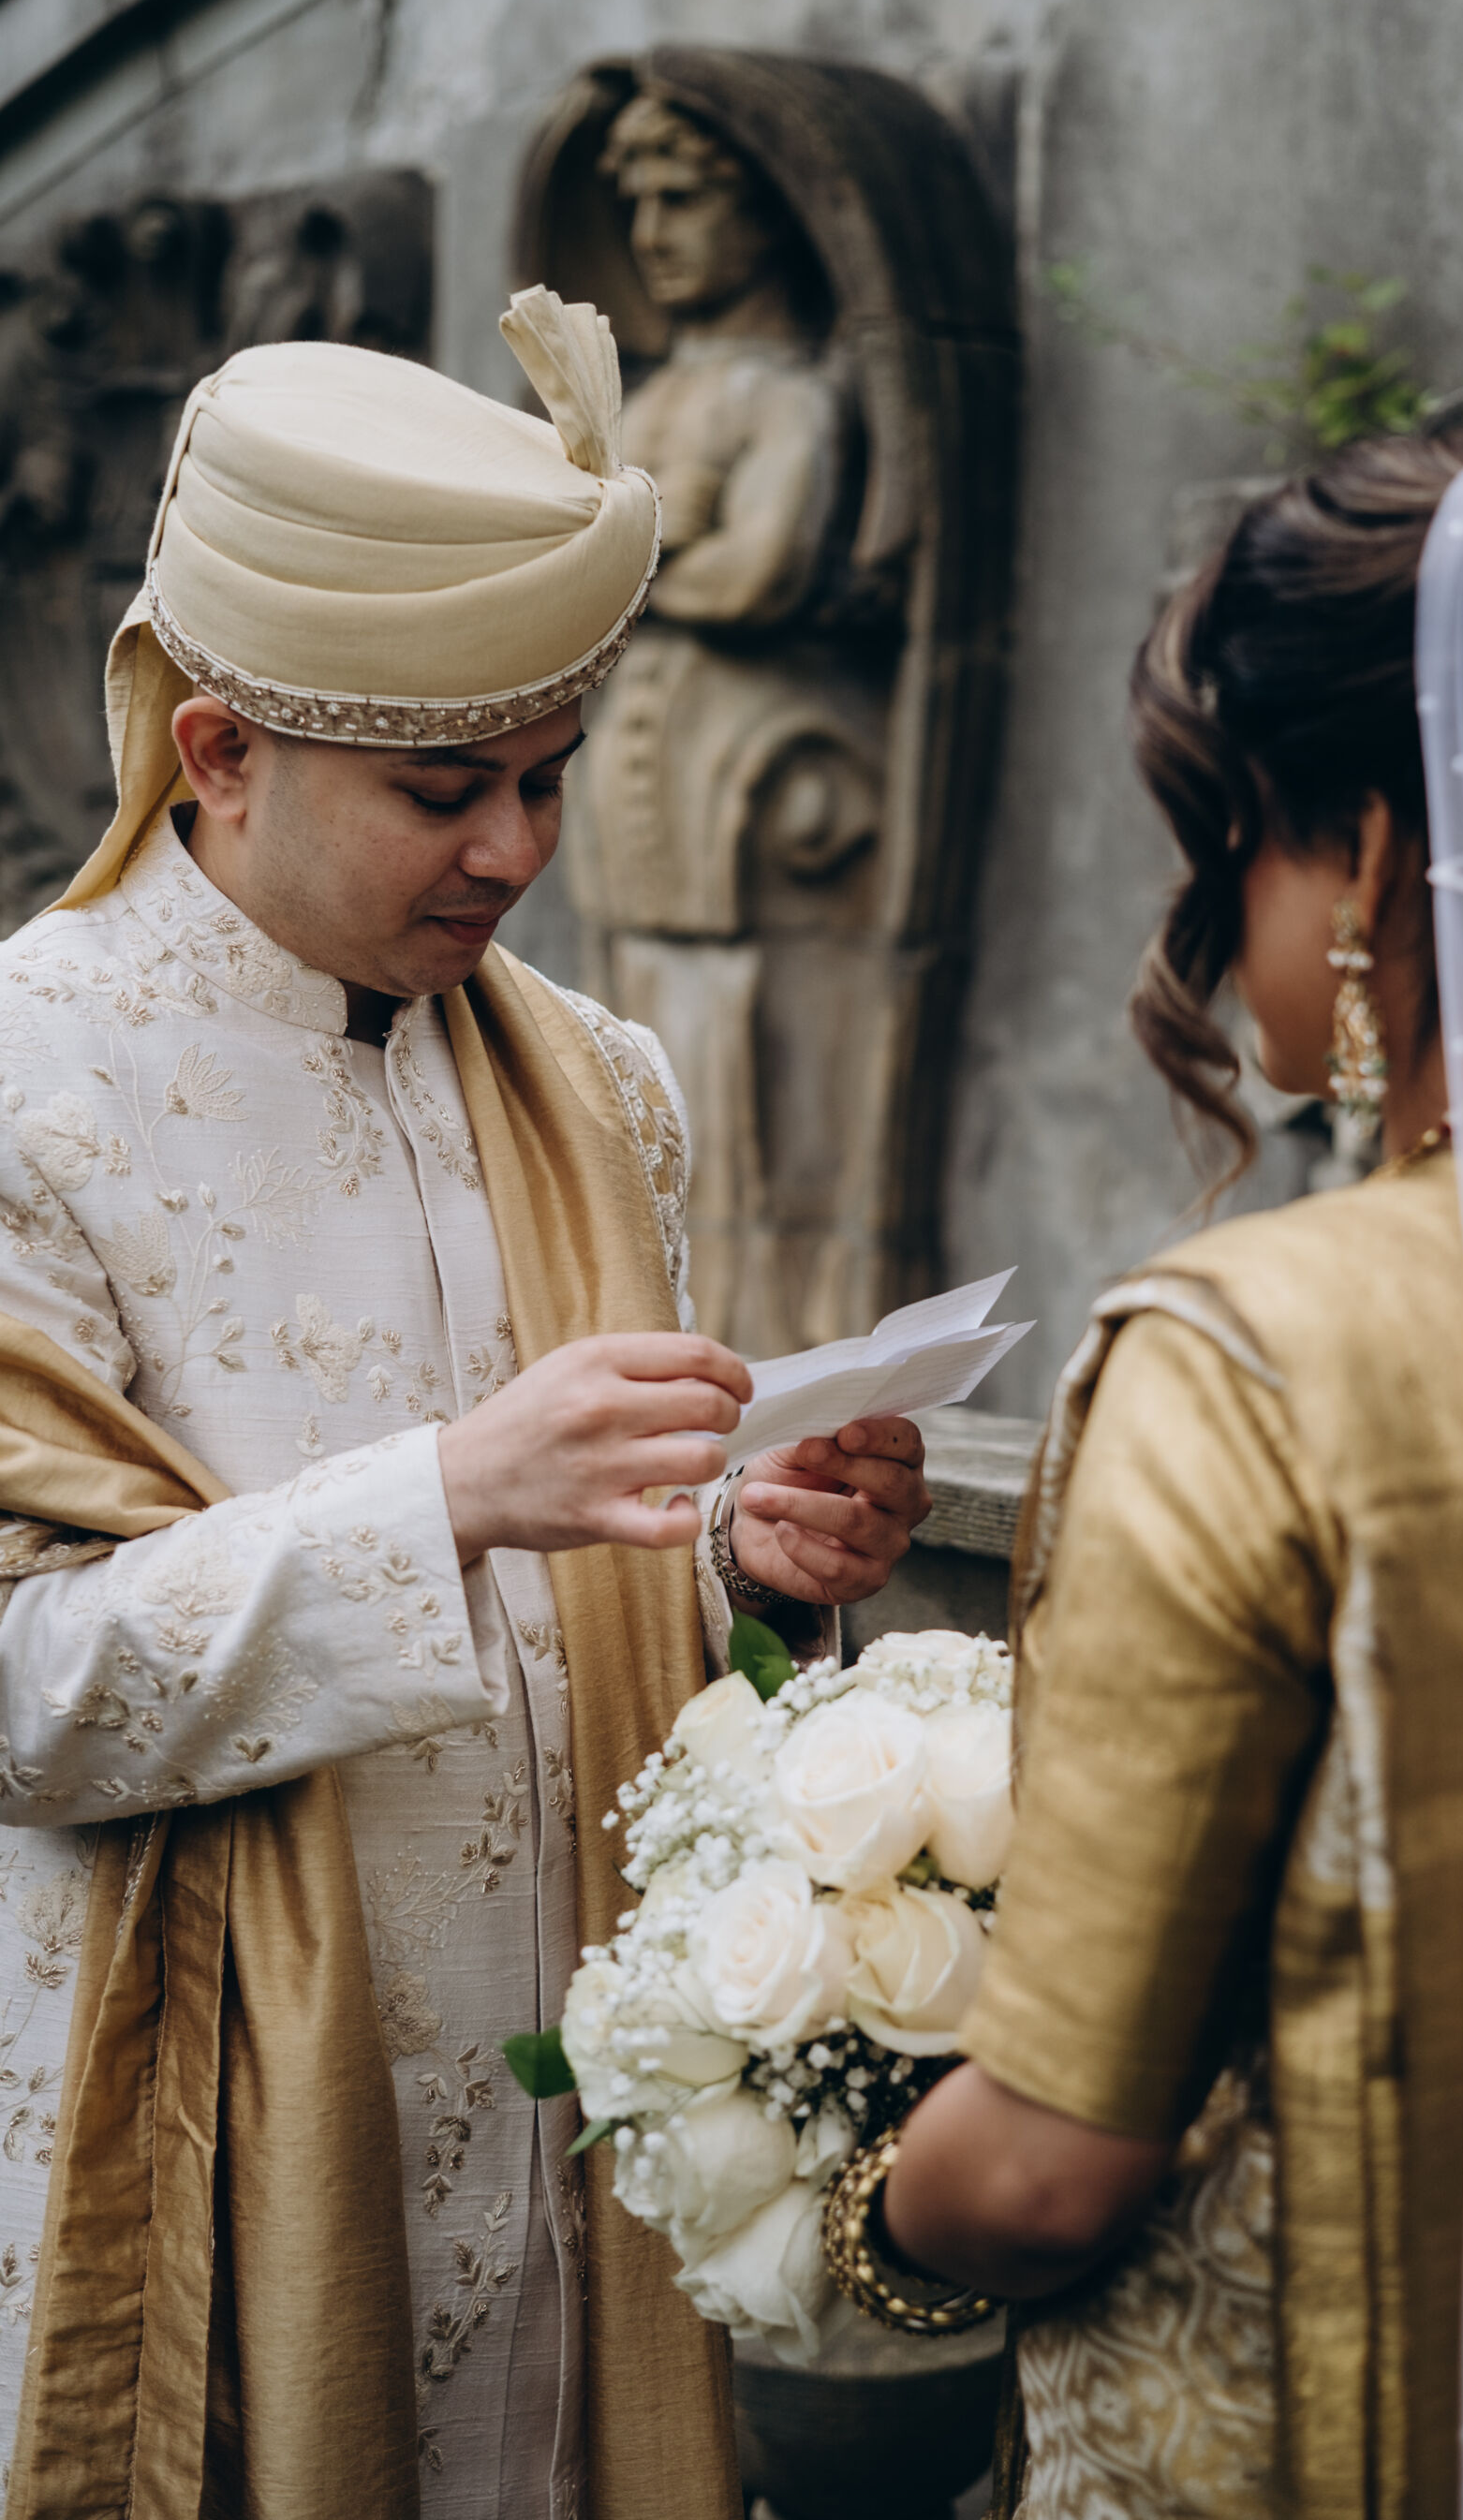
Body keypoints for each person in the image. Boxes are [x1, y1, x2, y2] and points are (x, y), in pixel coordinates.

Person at [0, 286, 927, 2520]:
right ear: (218, 751)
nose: (515, 850)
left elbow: (589, 1586)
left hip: (572, 2115)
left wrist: (740, 1553)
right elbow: (22, 1691)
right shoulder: (33, 1083)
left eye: (549, 776)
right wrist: (442, 1498)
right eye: (444, 791)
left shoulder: (599, 1077)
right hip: (208, 2116)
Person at [880, 410, 1463, 2516]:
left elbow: (1042, 2172)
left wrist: (849, 2187)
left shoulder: (1257, 1358)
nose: (1210, 928)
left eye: (1233, 846)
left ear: (1371, 851)